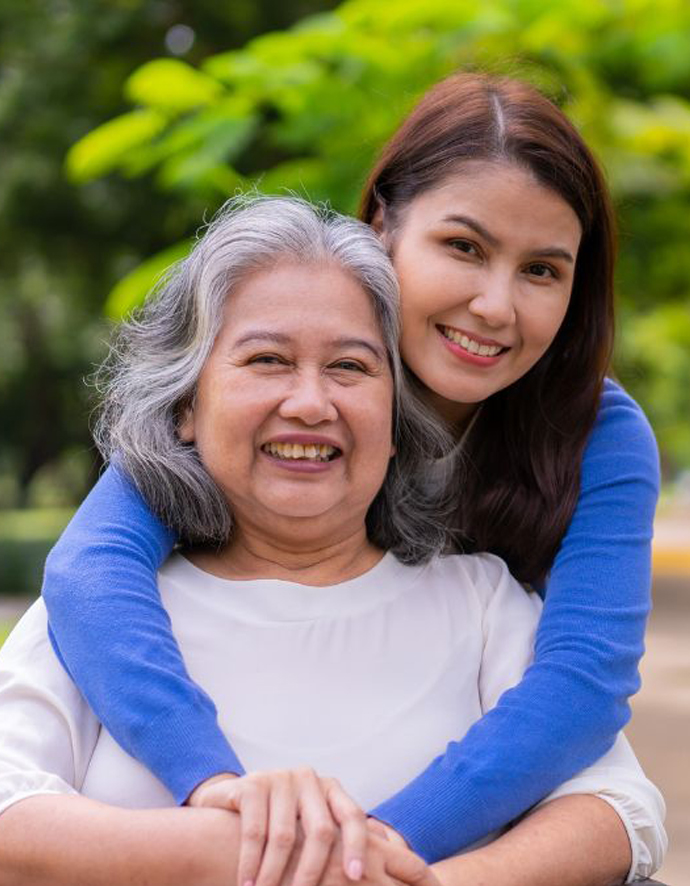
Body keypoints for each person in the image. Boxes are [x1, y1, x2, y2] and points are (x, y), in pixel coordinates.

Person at [41, 73, 660, 866]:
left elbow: (580, 686)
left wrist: (369, 852)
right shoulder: (272, 402)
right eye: (463, 247)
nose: (496, 306)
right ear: (380, 229)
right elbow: (92, 570)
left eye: (542, 270)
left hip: (475, 789)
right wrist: (213, 781)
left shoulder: (597, 434)